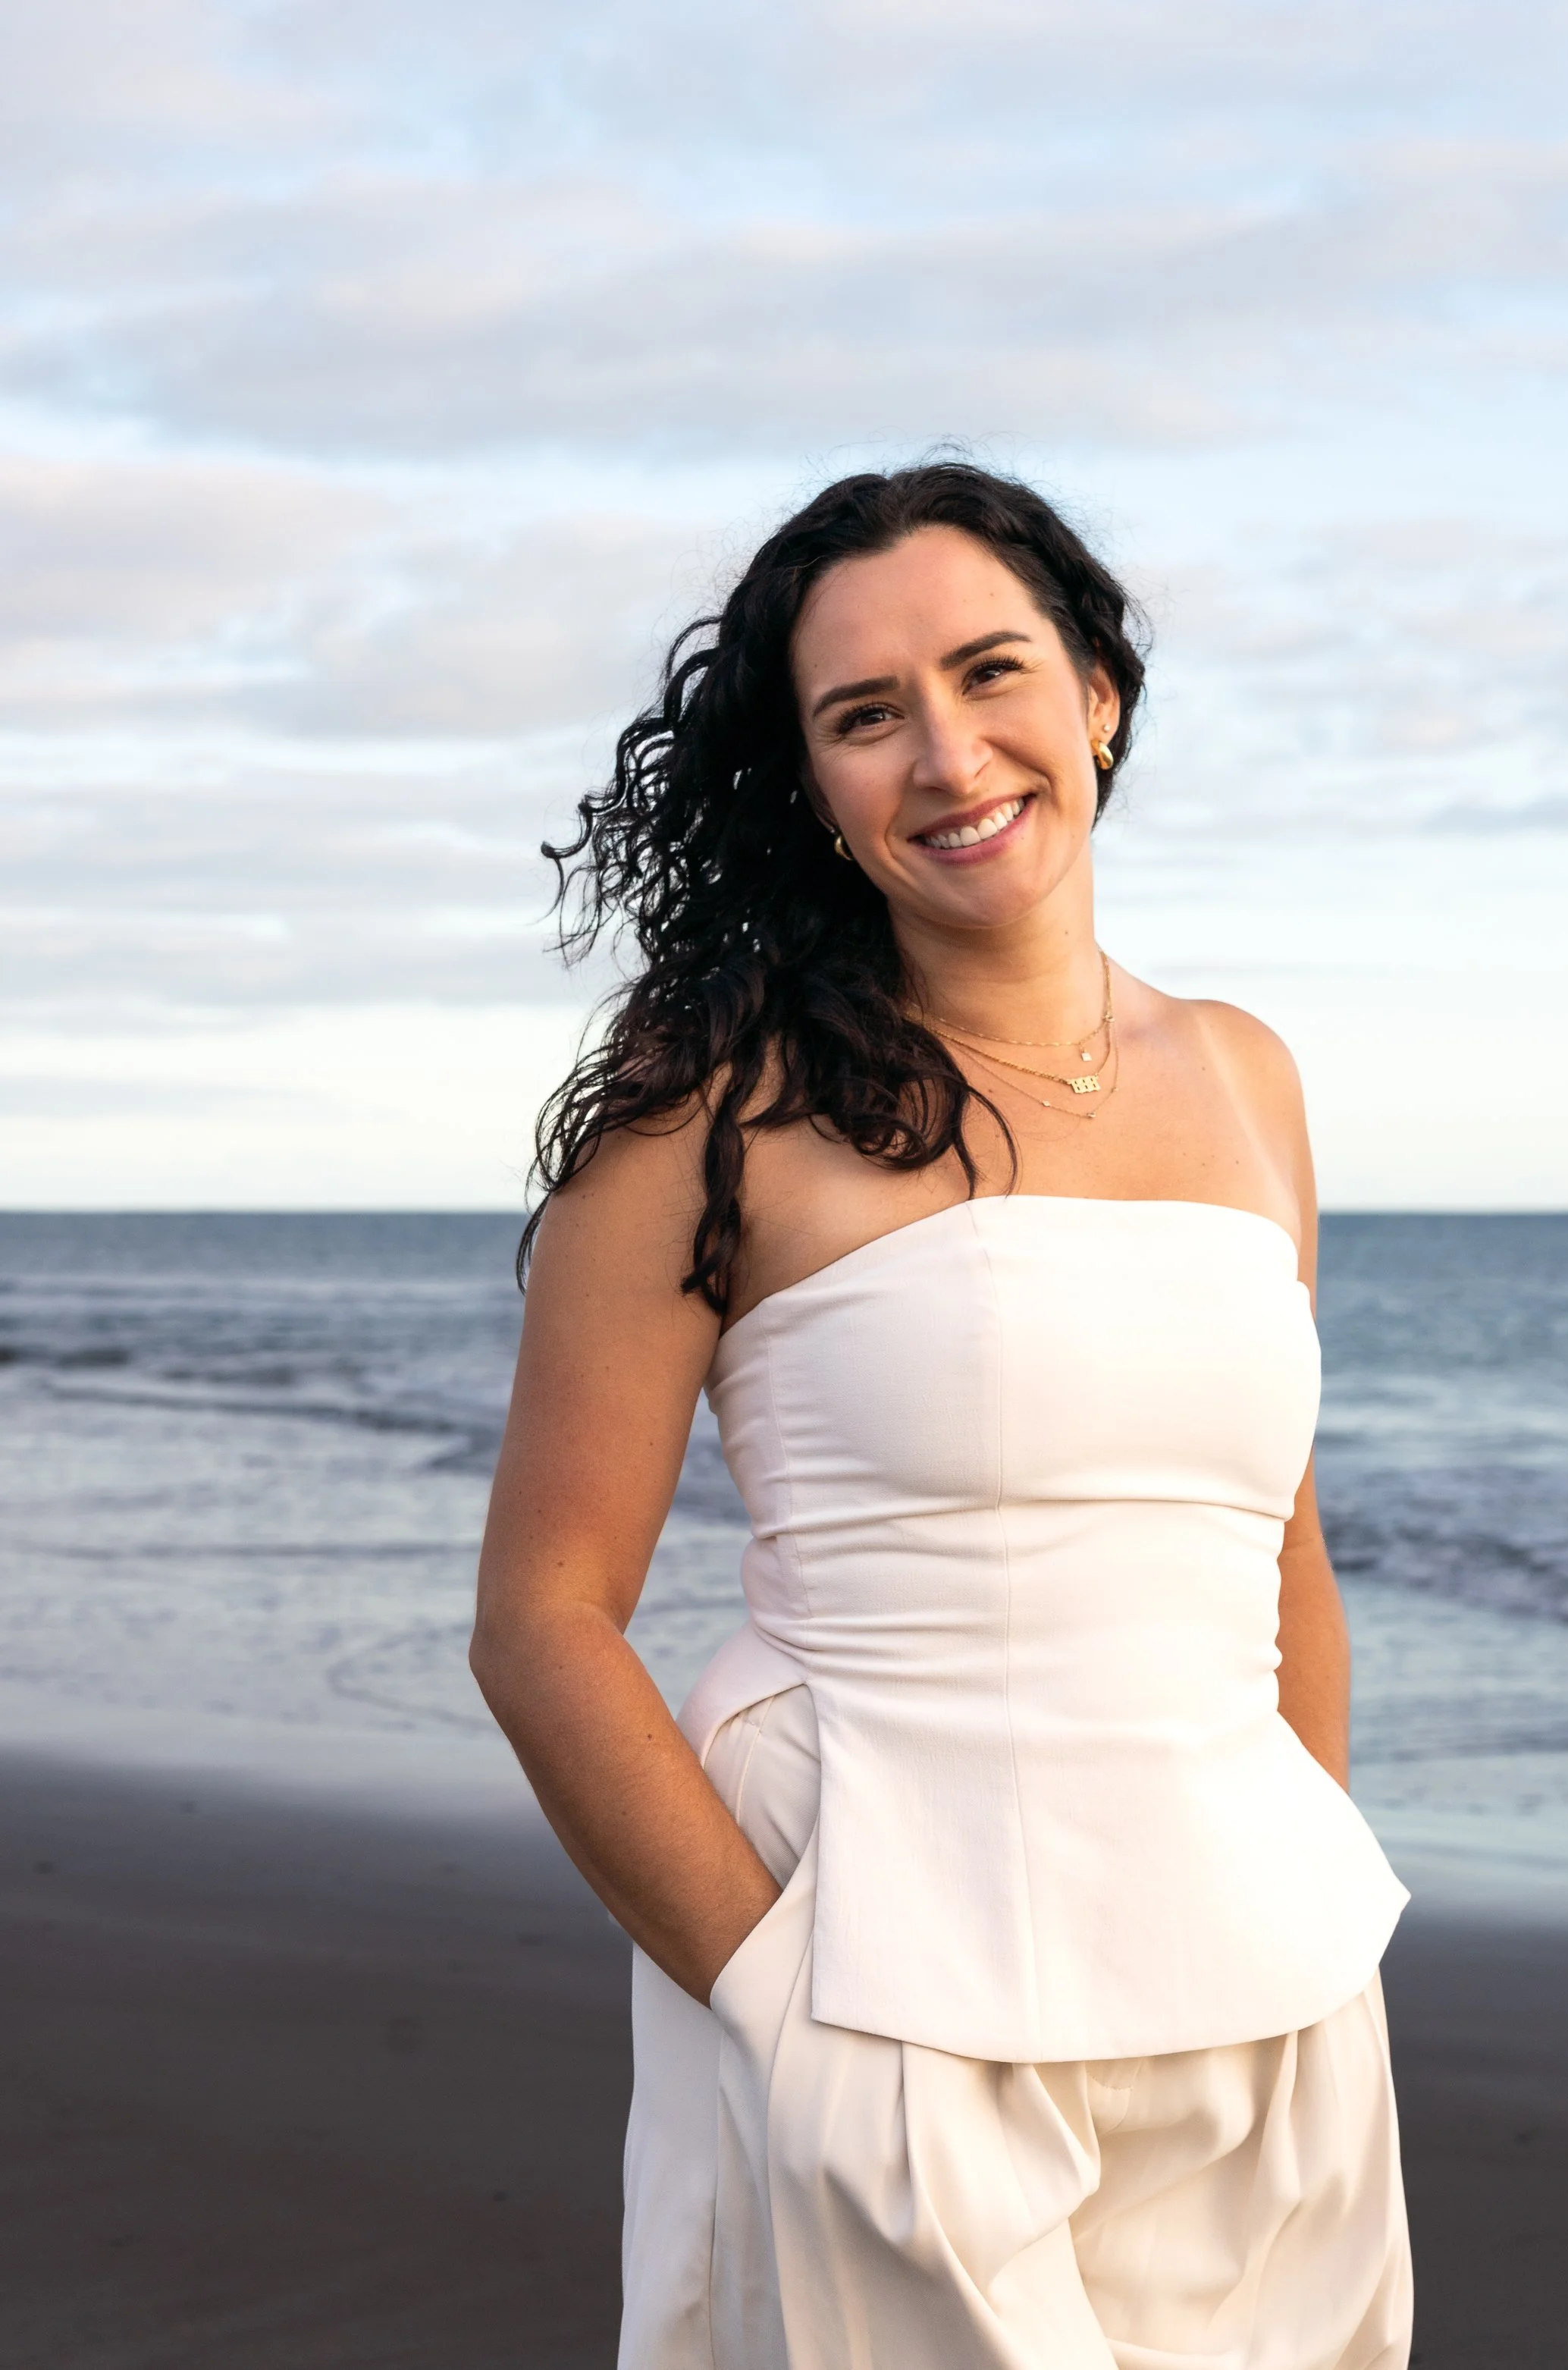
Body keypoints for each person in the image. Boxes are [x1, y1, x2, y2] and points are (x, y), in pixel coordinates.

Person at [471, 462, 1413, 2369]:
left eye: (991, 672)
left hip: (1264, 1998)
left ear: (1097, 697)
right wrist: (774, 2001)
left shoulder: (1245, 1073)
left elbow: (1272, 1539)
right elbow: (541, 1617)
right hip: (878, 1971)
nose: (948, 753)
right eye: (864, 713)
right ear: (812, 782)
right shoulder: (709, 1106)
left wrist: (1309, 1874)